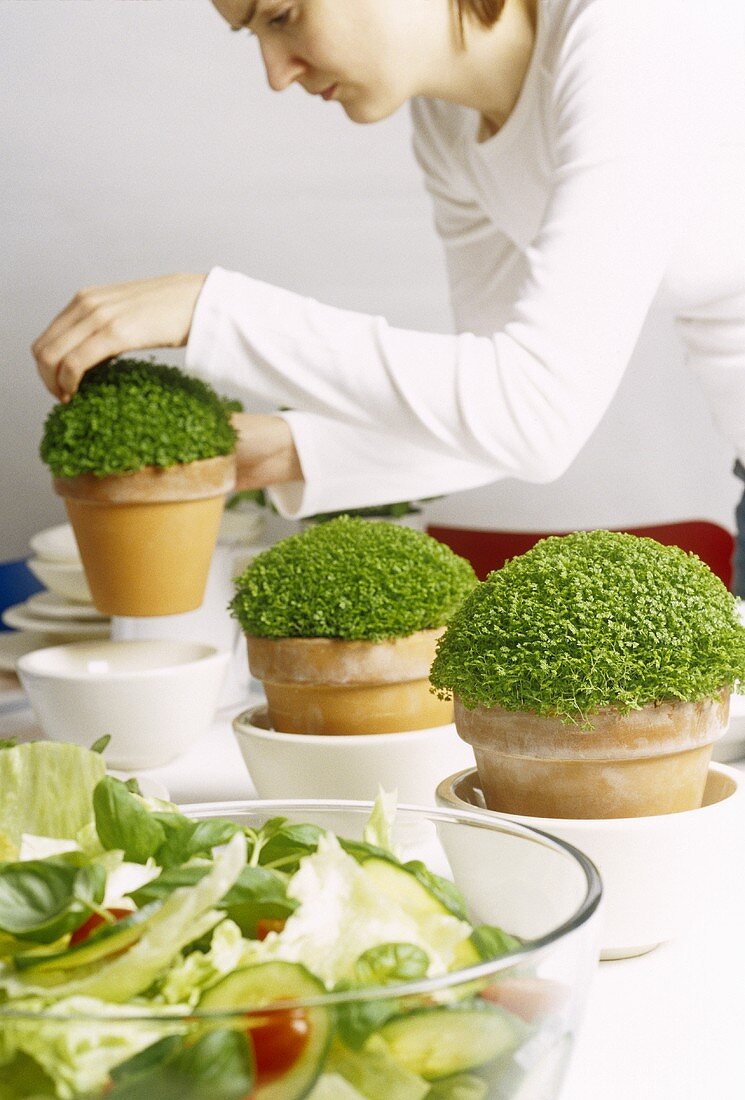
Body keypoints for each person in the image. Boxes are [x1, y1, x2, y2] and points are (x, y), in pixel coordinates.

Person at [32, 0, 745, 587]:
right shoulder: (448, 125)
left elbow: (532, 414)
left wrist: (213, 310)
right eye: (249, 34)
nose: (275, 73)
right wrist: (290, 450)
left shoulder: (637, 27)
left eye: (281, 16)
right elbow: (493, 416)